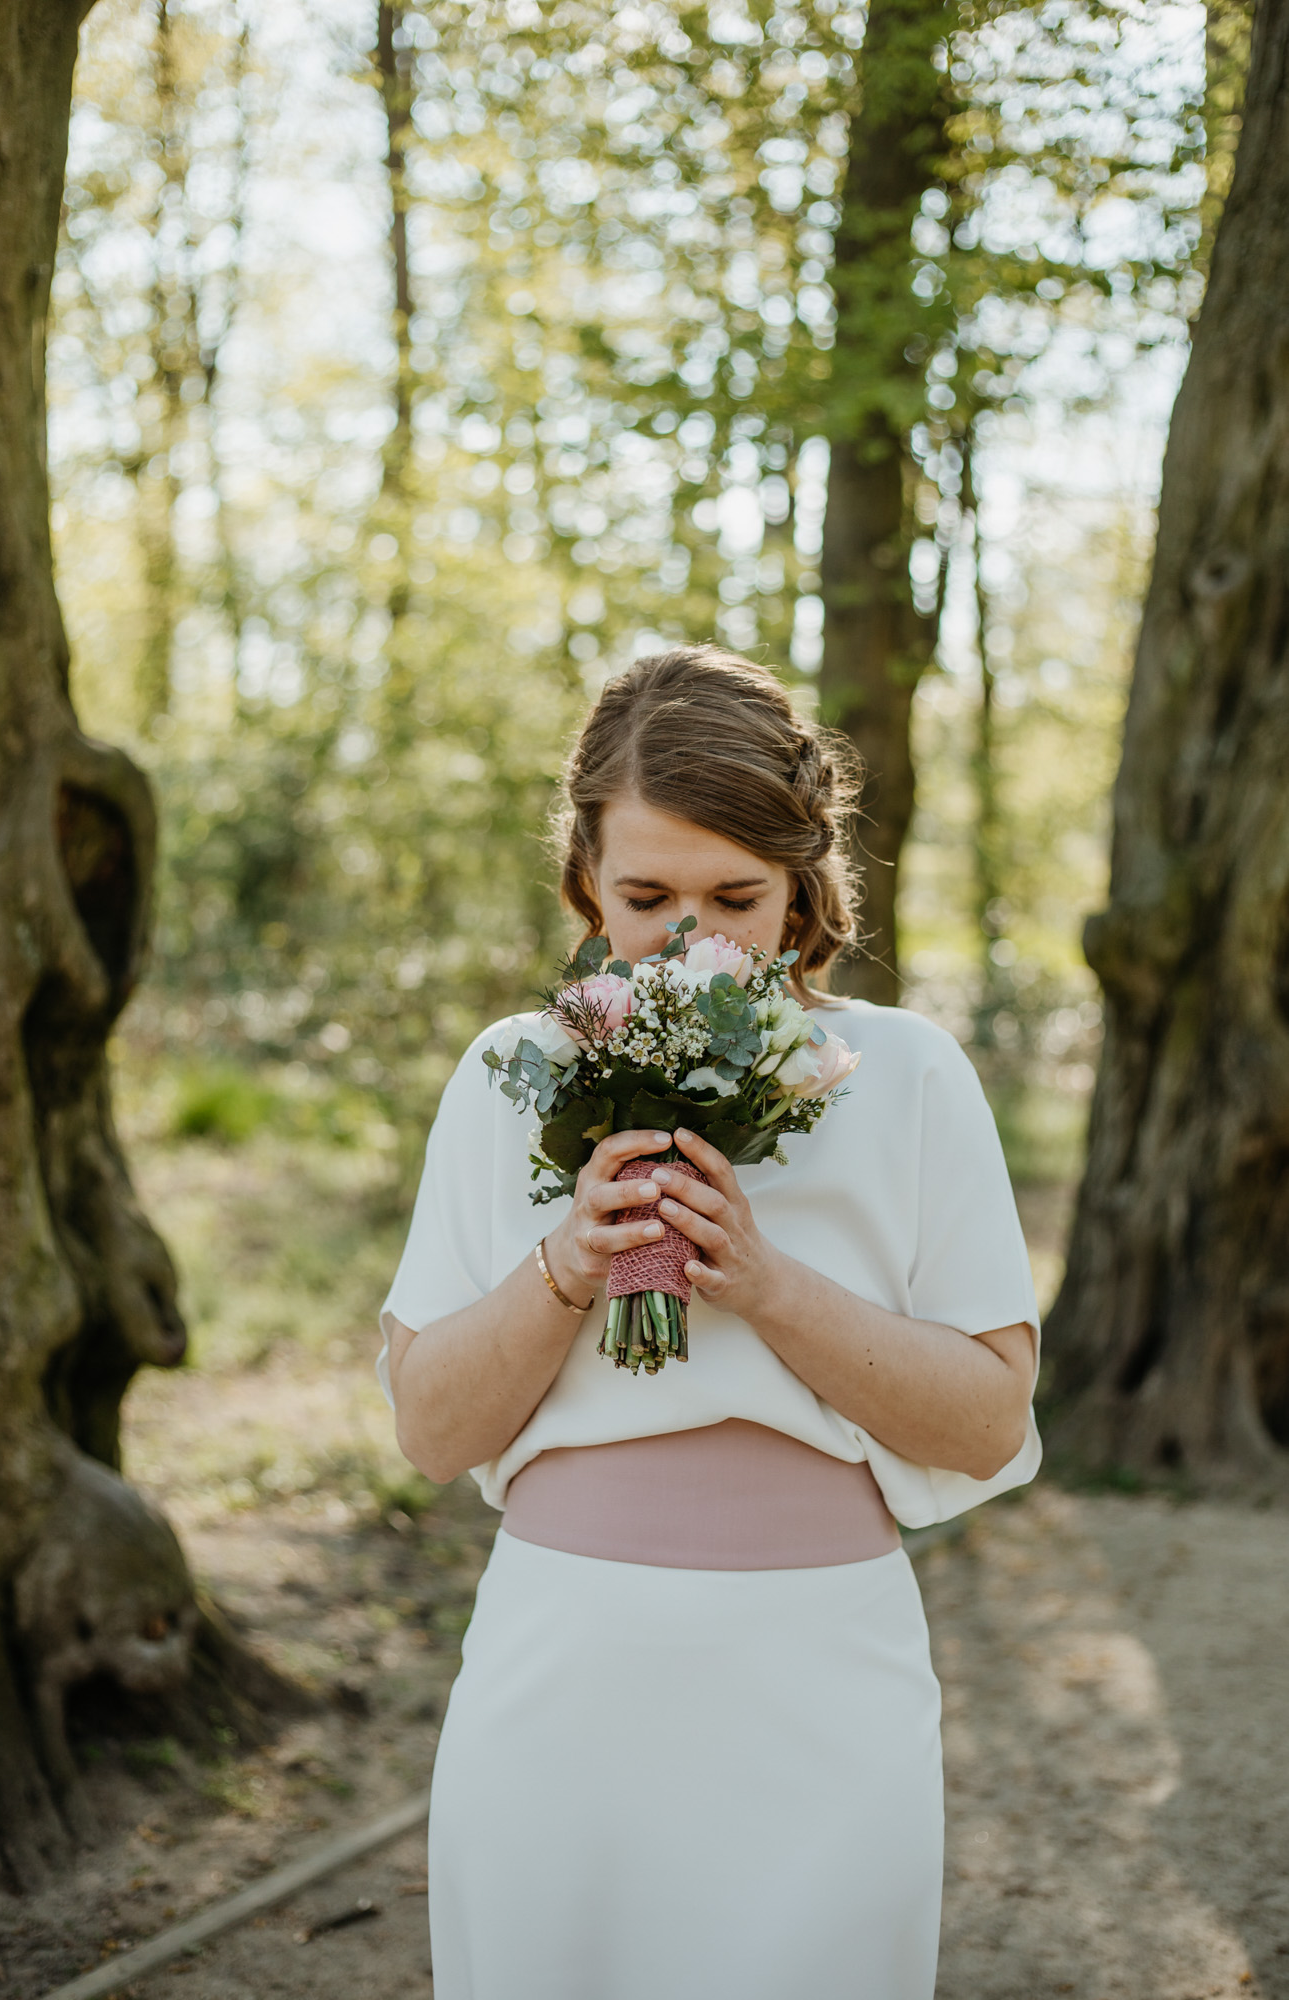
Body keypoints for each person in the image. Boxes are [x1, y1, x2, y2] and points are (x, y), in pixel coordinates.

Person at [377, 644, 1040, 2000]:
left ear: (802, 884)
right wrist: (567, 1264)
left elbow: (986, 1423)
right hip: (562, 1666)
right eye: (647, 897)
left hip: (821, 1666)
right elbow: (431, 1433)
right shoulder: (508, 1074)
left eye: (736, 896)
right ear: (586, 881)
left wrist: (769, 1285)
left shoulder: (908, 1074)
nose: (693, 938)